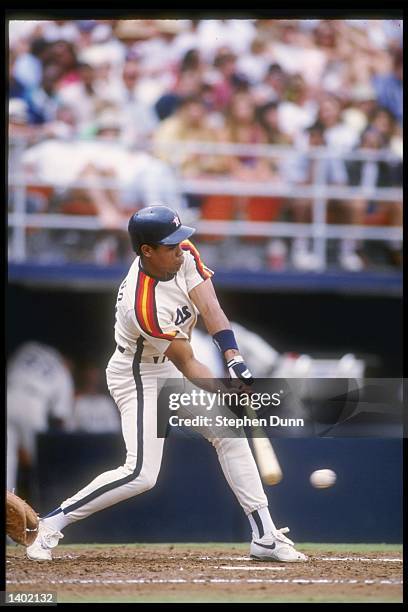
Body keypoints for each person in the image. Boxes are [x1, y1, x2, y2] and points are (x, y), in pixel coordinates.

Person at [26, 204, 307, 564]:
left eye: (180, 241)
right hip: (137, 374)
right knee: (141, 473)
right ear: (147, 251)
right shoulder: (142, 304)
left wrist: (233, 358)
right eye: (170, 245)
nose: (181, 248)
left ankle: (265, 535)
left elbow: (211, 308)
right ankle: (50, 523)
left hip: (169, 367)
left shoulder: (183, 253)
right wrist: (227, 391)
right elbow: (188, 364)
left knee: (229, 433)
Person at [7, 342, 75, 496]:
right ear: (67, 360)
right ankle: (42, 506)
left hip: (9, 394)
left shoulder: (29, 347)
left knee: (8, 460)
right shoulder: (62, 370)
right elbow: (62, 418)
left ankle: (9, 510)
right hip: (33, 404)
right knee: (40, 463)